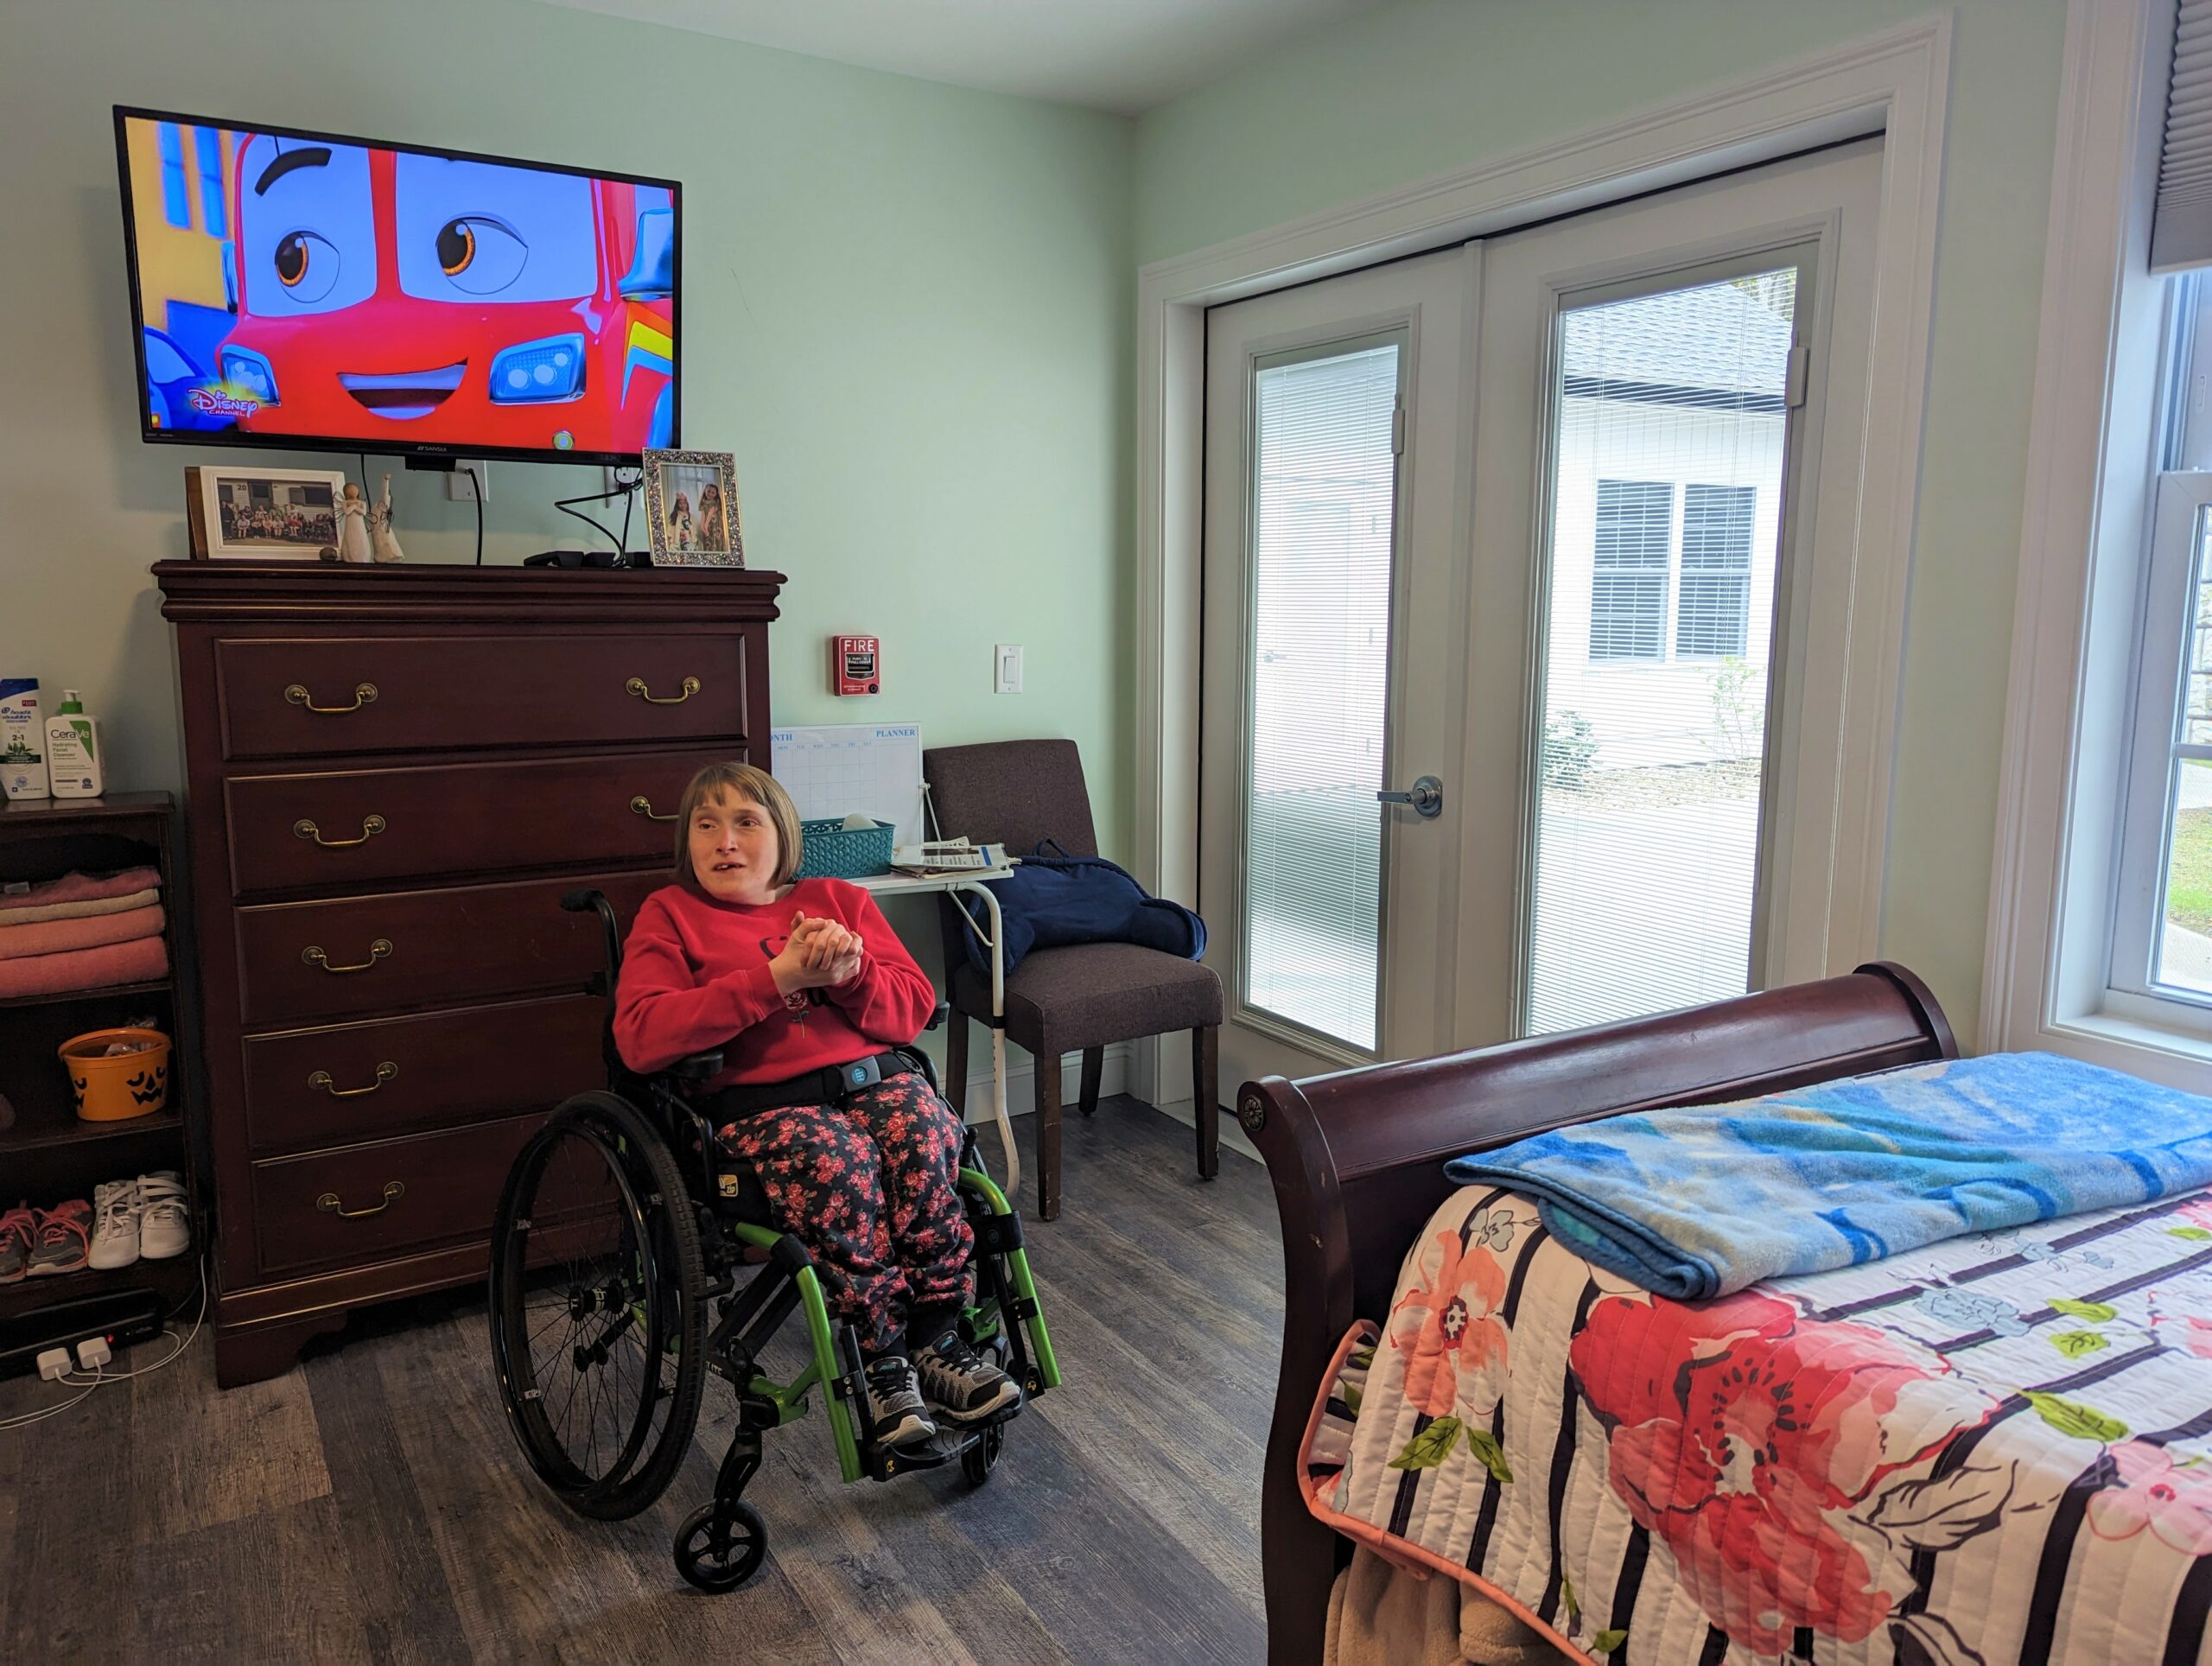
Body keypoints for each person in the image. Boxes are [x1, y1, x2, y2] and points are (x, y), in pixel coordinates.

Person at [613, 762, 1021, 1451]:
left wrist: (853, 971)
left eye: (746, 821)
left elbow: (913, 1008)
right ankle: (884, 1357)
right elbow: (641, 1037)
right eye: (705, 825)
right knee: (841, 1160)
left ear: (784, 836)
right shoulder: (671, 914)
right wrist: (776, 980)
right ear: (687, 843)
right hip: (762, 1108)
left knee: (923, 1130)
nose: (725, 841)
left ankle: (938, 1338)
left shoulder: (837, 899)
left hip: (875, 1080)